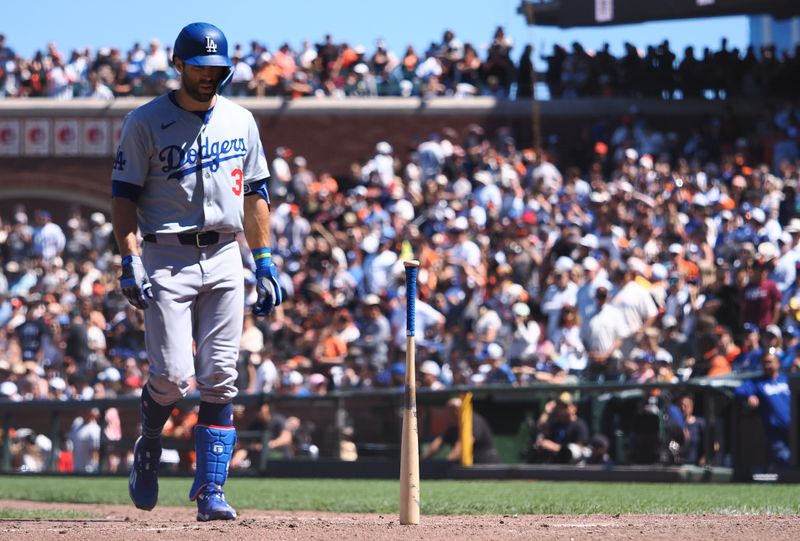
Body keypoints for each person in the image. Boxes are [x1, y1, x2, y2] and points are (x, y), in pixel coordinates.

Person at [111, 22, 282, 522]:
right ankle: (147, 443)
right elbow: (123, 197)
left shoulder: (241, 119)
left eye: (219, 69)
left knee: (221, 377)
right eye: (202, 67)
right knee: (171, 376)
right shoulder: (144, 122)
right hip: (166, 253)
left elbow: (255, 196)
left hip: (227, 253)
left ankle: (212, 491)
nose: (212, 76)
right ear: (179, 66)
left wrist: (265, 261)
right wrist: (129, 258)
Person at [734, 348, 791, 471]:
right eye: (764, 362)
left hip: (794, 430)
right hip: (775, 433)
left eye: (770, 362)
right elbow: (739, 390)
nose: (767, 365)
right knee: (785, 458)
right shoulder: (758, 382)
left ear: (778, 363)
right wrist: (750, 395)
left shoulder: (787, 380)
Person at [421, 397, 499, 464]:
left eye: (454, 409)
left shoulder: (473, 420)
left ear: (462, 409)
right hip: (467, 467)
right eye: (449, 410)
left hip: (485, 464)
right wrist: (422, 460)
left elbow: (464, 443)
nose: (452, 412)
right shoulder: (454, 425)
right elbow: (439, 442)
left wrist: (447, 462)